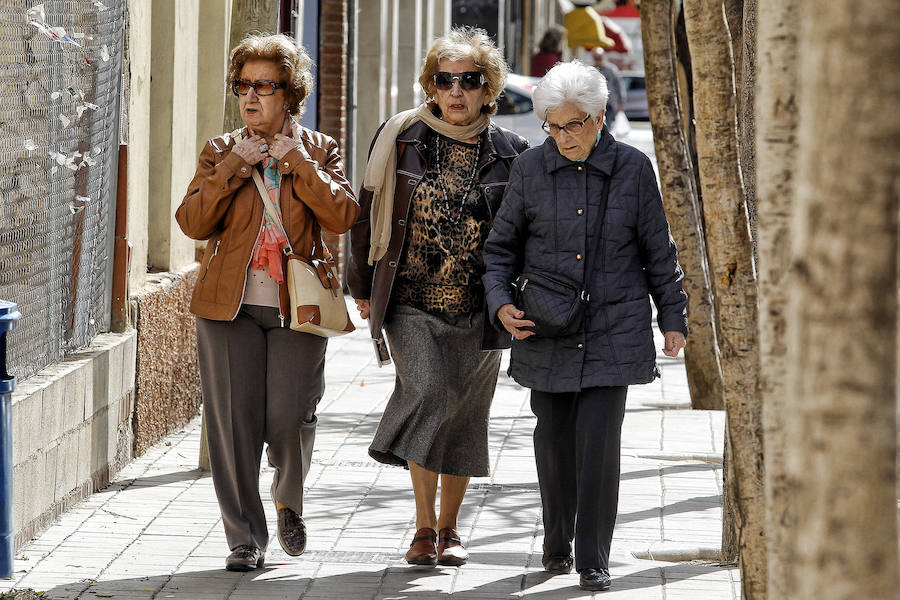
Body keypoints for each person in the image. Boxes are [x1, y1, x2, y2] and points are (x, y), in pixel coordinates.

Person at [482, 60, 687, 592]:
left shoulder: (634, 169)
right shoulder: (529, 170)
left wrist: (673, 317)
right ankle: (557, 540)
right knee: (552, 443)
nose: (563, 135)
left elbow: (658, 252)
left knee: (599, 445)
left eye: (574, 124)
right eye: (553, 124)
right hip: (545, 328)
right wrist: (501, 305)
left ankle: (594, 556)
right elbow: (500, 250)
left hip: (613, 328)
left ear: (600, 118)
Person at [176, 34, 359, 572]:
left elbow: (343, 216)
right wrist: (234, 163)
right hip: (227, 308)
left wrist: (298, 163)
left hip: (297, 307)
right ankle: (244, 539)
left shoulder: (319, 149)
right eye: (243, 86)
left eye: (264, 86)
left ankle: (288, 502)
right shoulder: (219, 150)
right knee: (232, 426)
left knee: (288, 417)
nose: (250, 97)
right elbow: (192, 222)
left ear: (290, 95)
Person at [347, 27, 528, 567]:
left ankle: (449, 531)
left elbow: (522, 233)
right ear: (430, 85)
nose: (456, 91)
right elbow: (368, 209)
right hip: (409, 298)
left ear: (487, 88)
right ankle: (422, 526)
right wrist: (361, 285)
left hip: (479, 304)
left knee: (467, 415)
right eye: (444, 80)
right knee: (428, 393)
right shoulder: (400, 137)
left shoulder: (510, 152)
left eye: (468, 81)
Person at [592, 47, 624, 130]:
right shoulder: (591, 70)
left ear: (603, 56)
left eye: (599, 56)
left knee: (607, 126)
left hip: (609, 103)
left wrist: (621, 103)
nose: (597, 59)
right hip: (595, 104)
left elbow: (618, 86)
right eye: (595, 57)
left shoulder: (611, 69)